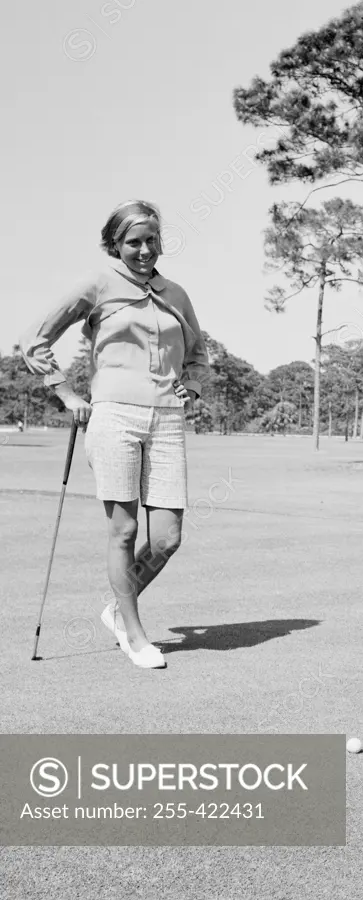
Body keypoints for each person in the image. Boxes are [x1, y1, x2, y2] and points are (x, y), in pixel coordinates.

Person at [20, 200, 210, 670]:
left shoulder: (177, 294)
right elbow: (36, 340)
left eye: (151, 240)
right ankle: (135, 632)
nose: (144, 250)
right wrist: (65, 394)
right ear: (115, 244)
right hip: (114, 417)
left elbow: (198, 354)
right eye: (133, 242)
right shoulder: (97, 284)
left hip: (167, 419)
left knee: (166, 538)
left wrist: (195, 385)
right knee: (123, 531)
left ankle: (116, 610)